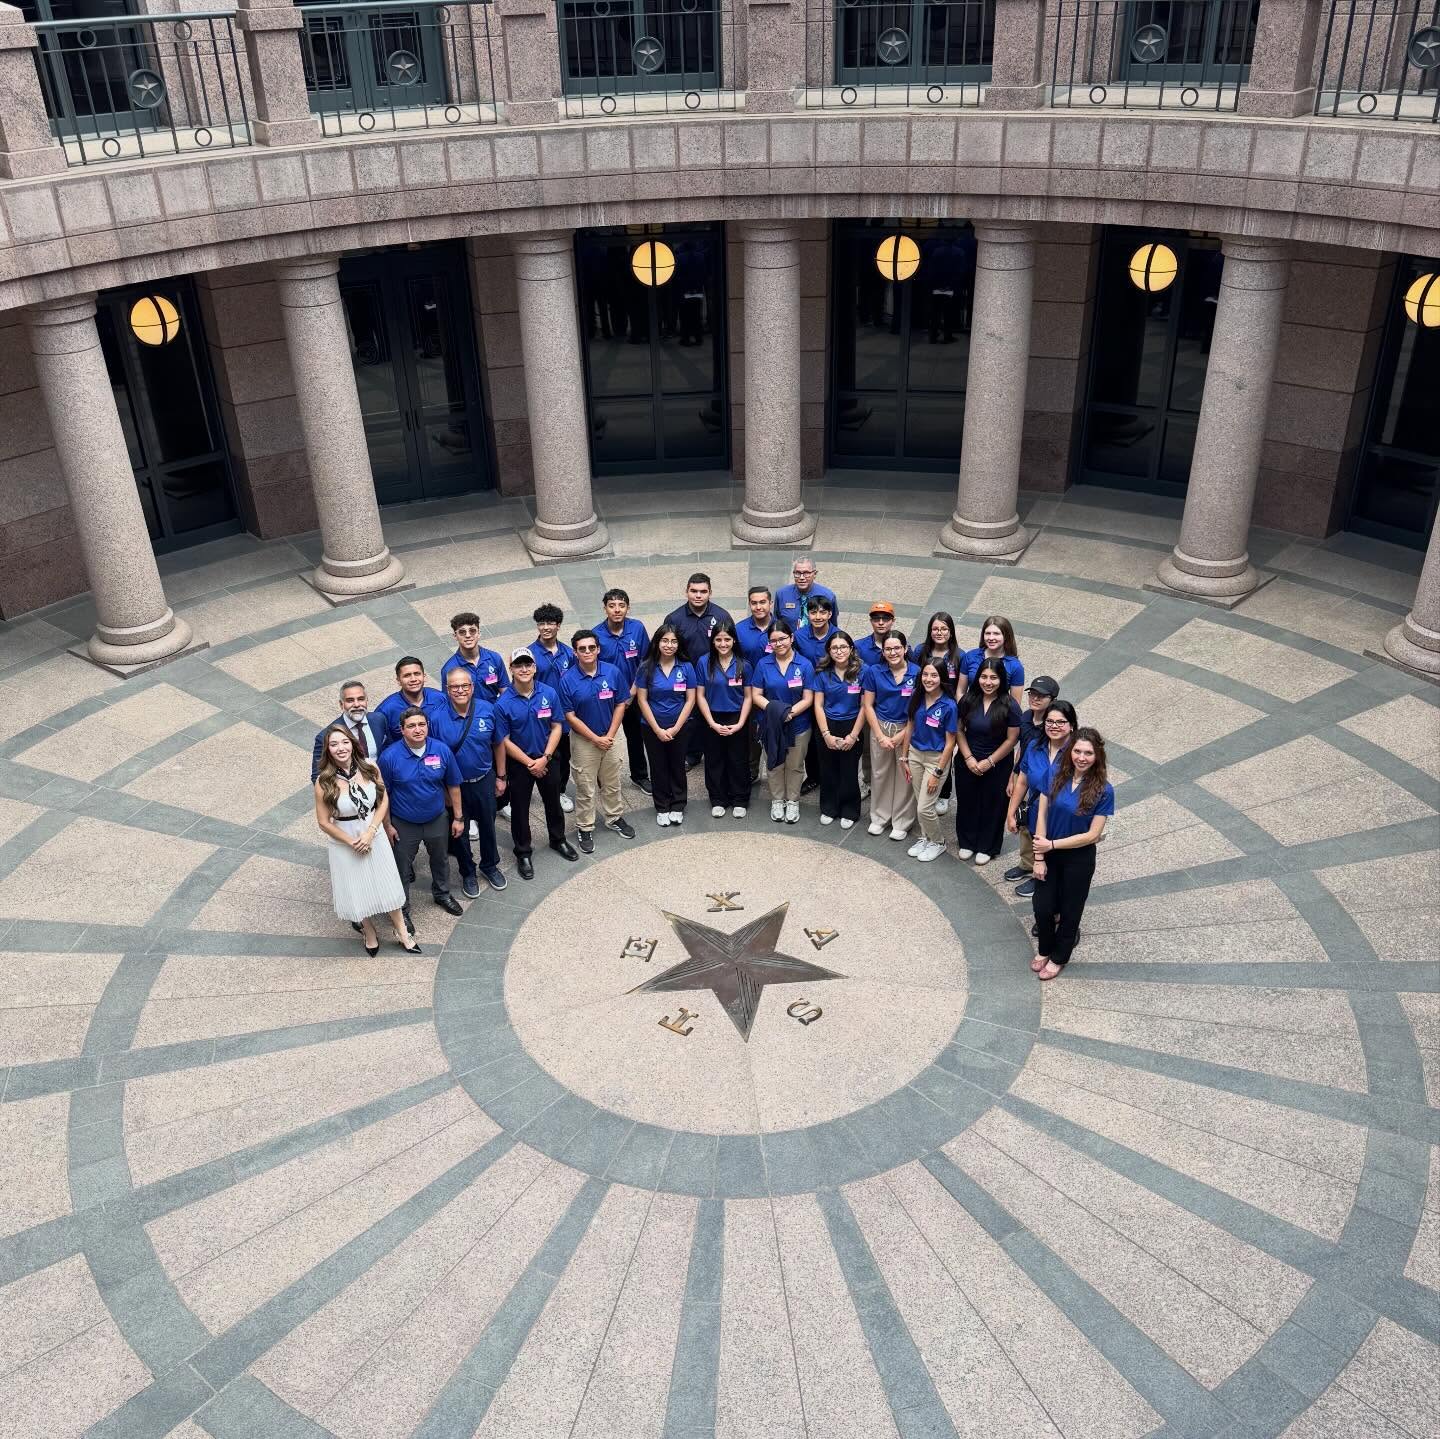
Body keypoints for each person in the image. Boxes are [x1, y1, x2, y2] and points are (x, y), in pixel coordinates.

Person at [314, 725, 418, 954]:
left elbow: (382, 800)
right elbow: (323, 821)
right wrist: (351, 842)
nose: (340, 748)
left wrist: (371, 832)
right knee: (355, 886)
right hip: (345, 839)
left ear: (352, 743)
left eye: (344, 742)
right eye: (334, 744)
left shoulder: (370, 767)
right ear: (328, 750)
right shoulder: (324, 781)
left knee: (386, 882)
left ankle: (401, 930)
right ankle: (368, 930)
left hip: (373, 832)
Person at [1032, 727, 1114, 981]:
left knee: (1071, 909)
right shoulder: (1055, 774)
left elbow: (1092, 835)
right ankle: (1045, 948)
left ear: (1097, 756)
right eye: (1077, 751)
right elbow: (1042, 812)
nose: (1081, 757)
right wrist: (1039, 855)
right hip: (1048, 850)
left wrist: (1052, 845)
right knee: (1042, 907)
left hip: (1078, 858)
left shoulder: (1104, 790)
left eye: (1088, 753)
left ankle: (1059, 956)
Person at [494, 649, 578, 879]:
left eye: (527, 664)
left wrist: (545, 758)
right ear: (511, 669)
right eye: (518, 665)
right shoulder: (503, 703)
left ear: (534, 667)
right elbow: (504, 740)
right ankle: (523, 852)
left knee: (553, 802)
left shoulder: (549, 693)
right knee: (520, 809)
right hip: (521, 765)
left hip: (548, 759)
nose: (523, 669)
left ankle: (557, 839)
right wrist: (530, 762)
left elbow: (557, 726)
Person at [377, 707, 466, 923]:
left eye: (421, 724)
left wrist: (458, 817)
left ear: (427, 726)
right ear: (402, 730)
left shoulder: (441, 750)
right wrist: (387, 825)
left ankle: (442, 894)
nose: (418, 730)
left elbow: (453, 784)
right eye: (411, 726)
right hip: (403, 822)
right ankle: (402, 907)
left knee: (440, 859)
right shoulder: (389, 757)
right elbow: (383, 794)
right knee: (402, 866)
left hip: (436, 818)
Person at [429, 668, 507, 899]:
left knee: (488, 826)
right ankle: (468, 872)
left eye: (465, 685)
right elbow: (433, 755)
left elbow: (498, 744)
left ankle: (490, 865)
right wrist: (442, 789)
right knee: (459, 831)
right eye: (454, 686)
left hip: (484, 780)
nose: (460, 690)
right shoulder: (436, 718)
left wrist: (501, 776)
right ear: (447, 689)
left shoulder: (488, 710)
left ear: (472, 687)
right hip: (455, 787)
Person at [559, 629, 637, 853]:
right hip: (585, 741)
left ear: (598, 649)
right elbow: (569, 716)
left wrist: (610, 736)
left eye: (591, 647)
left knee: (612, 782)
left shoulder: (612, 672)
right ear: (575, 653)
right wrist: (595, 739)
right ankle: (585, 826)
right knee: (585, 787)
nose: (587, 652)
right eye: (582, 649)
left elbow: (621, 703)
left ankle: (614, 817)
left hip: (611, 736)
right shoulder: (567, 680)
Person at [953, 657, 1022, 865]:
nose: (988, 682)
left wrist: (989, 761)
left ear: (1001, 680)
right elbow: (959, 730)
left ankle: (987, 846)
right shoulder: (967, 700)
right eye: (984, 677)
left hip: (998, 763)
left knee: (994, 805)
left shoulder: (1010, 705)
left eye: (993, 678)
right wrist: (968, 758)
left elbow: (1012, 739)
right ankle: (967, 841)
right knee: (967, 802)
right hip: (968, 760)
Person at [1005, 698, 1076, 899]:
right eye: (1050, 722)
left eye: (1060, 722)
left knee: (1058, 863)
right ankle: (1038, 877)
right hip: (1038, 812)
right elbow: (1022, 782)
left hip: (1063, 819)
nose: (1054, 726)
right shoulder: (1035, 746)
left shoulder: (1078, 753)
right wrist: (1011, 813)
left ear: (1071, 726)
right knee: (1039, 852)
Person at [749, 618, 814, 824]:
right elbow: (756, 694)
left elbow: (809, 697)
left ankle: (792, 801)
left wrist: (790, 713)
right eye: (774, 640)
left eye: (783, 639)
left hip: (799, 724)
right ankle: (777, 800)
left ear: (792, 638)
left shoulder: (804, 664)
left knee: (795, 764)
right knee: (774, 762)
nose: (779, 644)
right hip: (771, 724)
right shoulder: (763, 664)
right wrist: (777, 713)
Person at [665, 573, 732, 770]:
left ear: (710, 592)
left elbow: (730, 644)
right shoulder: (674, 618)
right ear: (686, 592)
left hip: (715, 675)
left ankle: (715, 750)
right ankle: (692, 753)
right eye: (694, 591)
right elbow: (667, 646)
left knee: (714, 711)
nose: (698, 595)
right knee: (690, 715)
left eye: (703, 591)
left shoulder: (721, 616)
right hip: (685, 676)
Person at [636, 623, 697, 826]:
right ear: (657, 642)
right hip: (652, 727)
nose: (669, 645)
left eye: (673, 641)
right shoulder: (646, 667)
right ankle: (662, 806)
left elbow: (690, 700)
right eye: (664, 640)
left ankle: (678, 804)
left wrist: (675, 728)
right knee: (658, 766)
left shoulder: (686, 667)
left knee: (677, 765)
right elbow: (642, 700)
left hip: (680, 726)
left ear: (678, 644)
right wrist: (657, 729)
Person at [862, 630, 918, 840]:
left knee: (905, 775)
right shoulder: (874, 672)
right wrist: (880, 735)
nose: (893, 652)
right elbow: (868, 705)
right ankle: (879, 817)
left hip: (908, 729)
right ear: (882, 651)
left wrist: (902, 735)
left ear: (905, 649)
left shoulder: (918, 673)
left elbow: (920, 709)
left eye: (897, 648)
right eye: (888, 649)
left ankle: (902, 821)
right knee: (880, 773)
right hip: (881, 727)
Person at [595, 587, 651, 794]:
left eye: (621, 605)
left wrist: (632, 692)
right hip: (607, 696)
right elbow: (594, 667)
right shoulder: (596, 635)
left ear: (628, 608)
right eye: (612, 606)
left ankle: (640, 776)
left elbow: (646, 661)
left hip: (635, 694)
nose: (617, 610)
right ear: (605, 609)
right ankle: (601, 776)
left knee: (636, 736)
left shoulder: (637, 628)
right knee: (603, 736)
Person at [901, 661, 958, 862]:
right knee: (920, 801)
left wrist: (938, 773)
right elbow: (909, 726)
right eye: (925, 674)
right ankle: (925, 837)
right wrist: (904, 756)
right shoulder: (917, 697)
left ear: (942, 678)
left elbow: (951, 743)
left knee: (924, 807)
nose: (928, 679)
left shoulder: (949, 705)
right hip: (915, 754)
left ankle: (938, 842)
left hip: (936, 758)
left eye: (934, 675)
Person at [696, 620, 752, 817]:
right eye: (718, 639)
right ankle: (718, 799)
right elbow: (700, 695)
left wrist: (740, 723)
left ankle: (740, 799)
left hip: (737, 717)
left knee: (738, 760)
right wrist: (711, 723)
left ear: (734, 641)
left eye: (727, 639)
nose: (723, 644)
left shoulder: (744, 665)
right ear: (713, 641)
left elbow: (748, 697)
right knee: (714, 759)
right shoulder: (704, 662)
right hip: (712, 716)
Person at [910, 612, 962, 816]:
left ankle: (944, 793)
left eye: (944, 629)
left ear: (951, 632)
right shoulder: (920, 651)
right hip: (924, 703)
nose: (939, 633)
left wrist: (954, 708)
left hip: (947, 707)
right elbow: (916, 675)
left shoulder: (959, 655)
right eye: (935, 629)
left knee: (944, 748)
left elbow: (961, 684)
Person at [812, 630, 865, 828]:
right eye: (834, 647)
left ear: (851, 649)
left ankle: (850, 809)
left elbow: (865, 706)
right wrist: (826, 734)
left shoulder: (863, 672)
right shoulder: (822, 673)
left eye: (843, 646)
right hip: (827, 724)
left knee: (849, 770)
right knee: (828, 769)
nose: (839, 651)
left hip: (853, 725)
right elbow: (818, 705)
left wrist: (853, 735)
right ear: (828, 651)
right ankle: (829, 807)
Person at [527, 603, 575, 814]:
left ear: (558, 625)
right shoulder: (529, 653)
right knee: (541, 754)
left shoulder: (567, 652)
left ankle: (560, 791)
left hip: (563, 716)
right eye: (541, 623)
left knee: (563, 756)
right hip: (540, 717)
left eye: (550, 623)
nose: (546, 627)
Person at [310, 680, 389, 782]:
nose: (356, 704)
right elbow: (317, 776)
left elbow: (388, 750)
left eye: (361, 699)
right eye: (350, 700)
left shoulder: (379, 720)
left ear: (366, 700)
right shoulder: (325, 736)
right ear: (341, 704)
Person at [441, 613, 509, 703]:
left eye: (472, 631)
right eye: (462, 632)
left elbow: (505, 691)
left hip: (493, 714)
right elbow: (449, 701)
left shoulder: (494, 658)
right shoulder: (449, 669)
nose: (468, 635)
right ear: (455, 636)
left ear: (479, 633)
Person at [374, 657, 443, 742]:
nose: (413, 679)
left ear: (424, 676)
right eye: (407, 675)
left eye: (417, 674)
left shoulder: (440, 698)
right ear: (398, 680)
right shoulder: (386, 710)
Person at [959, 615, 1025, 704]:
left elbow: (1015, 703)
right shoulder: (970, 656)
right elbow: (960, 691)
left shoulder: (1015, 666)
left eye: (996, 634)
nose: (991, 638)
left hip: (997, 714)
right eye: (987, 633)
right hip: (970, 711)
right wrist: (962, 712)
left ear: (1006, 636)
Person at [776, 559, 838, 632]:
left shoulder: (828, 596)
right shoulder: (782, 594)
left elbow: (833, 625)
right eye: (797, 573)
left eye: (806, 573)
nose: (801, 577)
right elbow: (776, 622)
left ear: (815, 574)